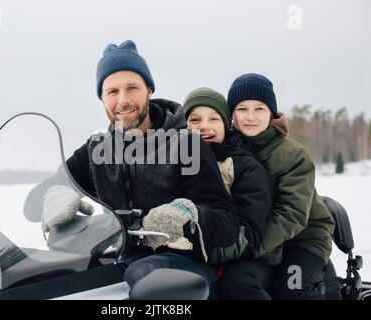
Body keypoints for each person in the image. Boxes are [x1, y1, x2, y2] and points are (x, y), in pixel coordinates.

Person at [25, 40, 239, 298]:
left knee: (144, 273)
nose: (122, 100)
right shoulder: (96, 151)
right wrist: (53, 197)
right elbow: (31, 206)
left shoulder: (186, 143)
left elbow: (227, 223)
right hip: (120, 262)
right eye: (112, 91)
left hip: (186, 272)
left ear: (149, 90)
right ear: (102, 98)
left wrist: (189, 215)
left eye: (132, 88)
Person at [226, 73, 336, 299]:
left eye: (259, 109)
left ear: (272, 113)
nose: (250, 117)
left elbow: (292, 213)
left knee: (291, 289)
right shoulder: (225, 149)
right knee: (235, 285)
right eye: (242, 109)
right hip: (256, 242)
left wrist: (248, 247)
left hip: (302, 241)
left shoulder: (293, 155)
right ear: (232, 114)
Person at [182, 87, 274, 299]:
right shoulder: (176, 162)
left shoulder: (245, 166)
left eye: (214, 119)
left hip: (242, 255)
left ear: (226, 125)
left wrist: (202, 250)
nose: (204, 126)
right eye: (194, 120)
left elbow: (251, 230)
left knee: (238, 287)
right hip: (193, 256)